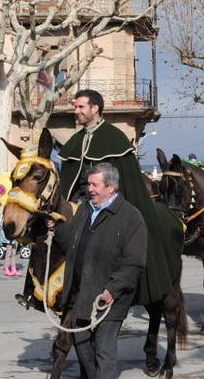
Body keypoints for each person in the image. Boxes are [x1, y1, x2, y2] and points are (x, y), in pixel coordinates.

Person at [58, 89, 182, 307]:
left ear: (95, 109)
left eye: (80, 107)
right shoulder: (75, 142)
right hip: (81, 207)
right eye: (75, 107)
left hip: (110, 208)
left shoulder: (114, 138)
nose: (75, 111)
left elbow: (128, 182)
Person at [46, 163, 147, 379]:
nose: (90, 189)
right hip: (80, 295)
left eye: (95, 184)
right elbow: (72, 246)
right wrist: (56, 231)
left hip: (108, 298)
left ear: (111, 187)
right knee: (83, 350)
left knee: (104, 352)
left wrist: (113, 289)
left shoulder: (131, 217)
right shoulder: (84, 210)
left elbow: (134, 262)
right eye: (89, 184)